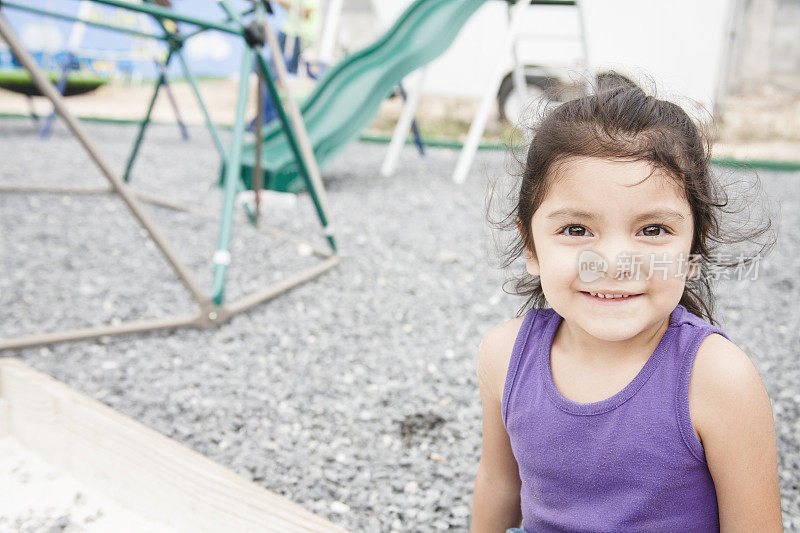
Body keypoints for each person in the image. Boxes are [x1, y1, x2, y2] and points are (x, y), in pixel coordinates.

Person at [470, 74, 783, 531]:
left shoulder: (717, 378)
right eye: (576, 230)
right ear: (532, 249)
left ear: (694, 247)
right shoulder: (504, 355)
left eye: (653, 230)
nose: (614, 263)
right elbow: (499, 486)